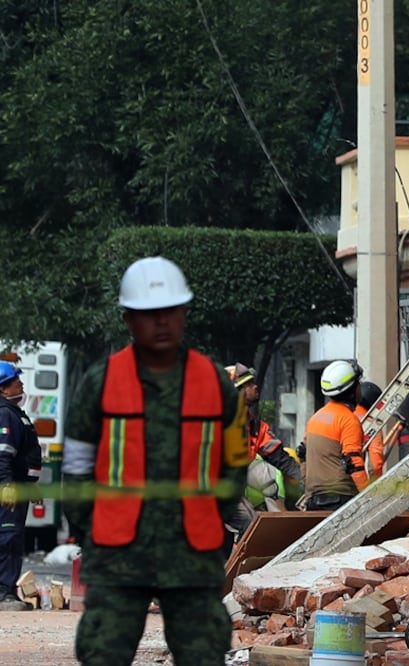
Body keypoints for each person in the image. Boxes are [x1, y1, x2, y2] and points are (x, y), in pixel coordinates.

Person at [61, 256, 248, 665]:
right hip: (117, 556)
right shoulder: (100, 383)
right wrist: (94, 532)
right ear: (128, 319)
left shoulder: (215, 383)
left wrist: (207, 519)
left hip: (192, 553)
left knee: (203, 655)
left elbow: (233, 468)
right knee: (103, 654)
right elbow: (75, 473)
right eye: (149, 313)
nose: (161, 322)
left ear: (184, 313)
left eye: (170, 311)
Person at [226, 362, 302, 513]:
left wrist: (305, 481)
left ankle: (280, 522)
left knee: (267, 473)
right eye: (248, 384)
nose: (255, 386)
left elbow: (280, 458)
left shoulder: (254, 426)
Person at [0, 360, 42, 612]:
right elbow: (3, 454)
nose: (21, 385)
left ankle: (7, 590)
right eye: (16, 381)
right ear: (3, 388)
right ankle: (3, 593)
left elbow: (21, 456)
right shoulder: (5, 414)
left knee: (12, 539)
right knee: (7, 539)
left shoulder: (13, 412)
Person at [301, 360, 367, 510]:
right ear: (352, 390)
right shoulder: (348, 420)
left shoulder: (315, 418)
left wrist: (308, 491)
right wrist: (370, 497)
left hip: (314, 501)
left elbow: (303, 455)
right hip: (340, 500)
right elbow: (353, 462)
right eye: (358, 384)